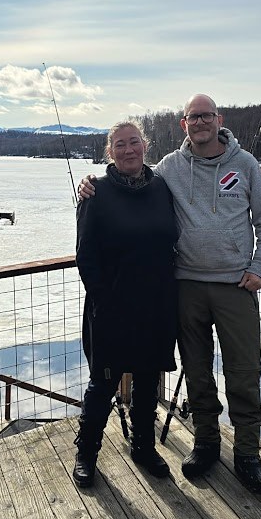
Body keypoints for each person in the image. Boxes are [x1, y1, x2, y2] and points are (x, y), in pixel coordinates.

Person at [79, 95, 261, 493]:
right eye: (193, 117)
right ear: (184, 124)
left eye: (207, 115)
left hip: (214, 289)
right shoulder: (153, 174)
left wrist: (258, 268)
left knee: (238, 371)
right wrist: (89, 183)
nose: (129, 149)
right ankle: (199, 443)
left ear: (218, 119)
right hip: (155, 295)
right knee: (185, 373)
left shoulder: (233, 166)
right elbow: (90, 248)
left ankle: (244, 454)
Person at [73, 121, 178, 488]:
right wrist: (105, 299)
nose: (129, 149)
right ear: (109, 152)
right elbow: (85, 256)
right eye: (120, 144)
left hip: (156, 303)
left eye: (134, 142)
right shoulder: (95, 193)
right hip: (112, 307)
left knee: (148, 380)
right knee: (103, 383)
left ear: (145, 145)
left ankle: (143, 447)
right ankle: (86, 454)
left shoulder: (161, 186)